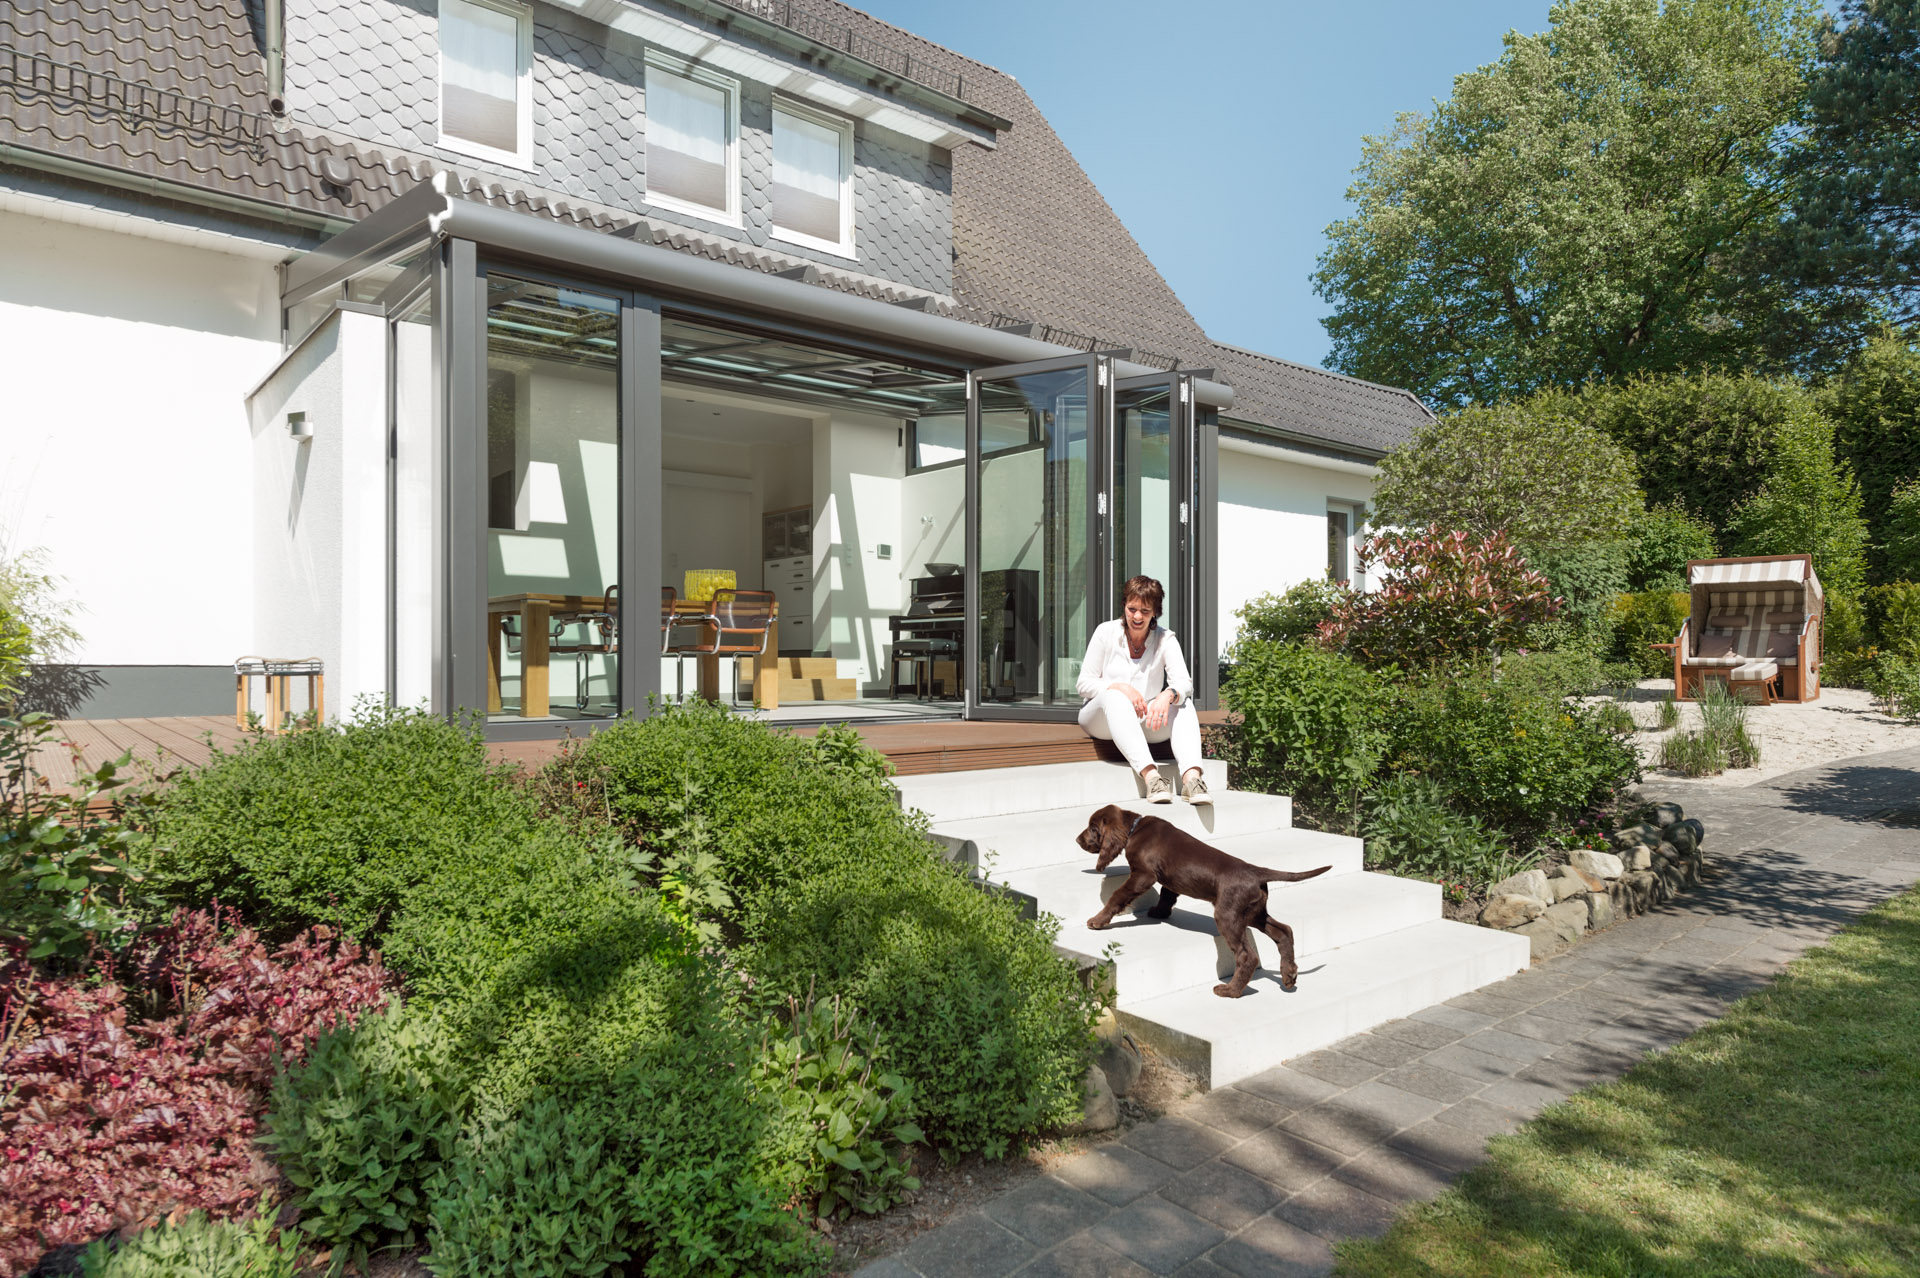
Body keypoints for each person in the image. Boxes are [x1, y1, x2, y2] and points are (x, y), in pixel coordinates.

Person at [1076, 575, 1209, 804]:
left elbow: (1185, 683)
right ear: (1124, 606)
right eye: (1132, 608)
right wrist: (1120, 687)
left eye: (1145, 611)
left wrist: (1168, 695)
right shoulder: (1105, 632)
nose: (1137, 616)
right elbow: (1084, 685)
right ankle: (1153, 779)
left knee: (1182, 703)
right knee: (1115, 697)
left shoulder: (1166, 639)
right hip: (1101, 718)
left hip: (1144, 719)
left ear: (1155, 612)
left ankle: (1192, 780)